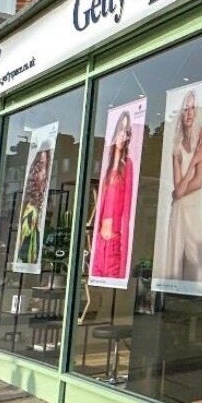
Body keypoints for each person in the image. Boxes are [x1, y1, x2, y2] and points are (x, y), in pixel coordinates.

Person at [160, 89, 202, 283]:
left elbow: (199, 182)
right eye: (185, 108)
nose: (189, 113)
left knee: (195, 263)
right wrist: (193, 163)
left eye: (192, 108)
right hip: (178, 212)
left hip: (193, 210)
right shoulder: (176, 145)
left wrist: (180, 189)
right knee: (174, 263)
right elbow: (178, 190)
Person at [91, 111, 136, 280]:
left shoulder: (128, 166)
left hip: (114, 241)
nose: (122, 134)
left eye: (126, 131)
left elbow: (128, 203)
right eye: (120, 129)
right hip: (99, 239)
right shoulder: (107, 167)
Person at [15, 141, 52, 267]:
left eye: (46, 166)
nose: (43, 172)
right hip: (29, 246)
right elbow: (25, 230)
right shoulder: (30, 197)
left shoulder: (46, 191)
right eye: (40, 165)